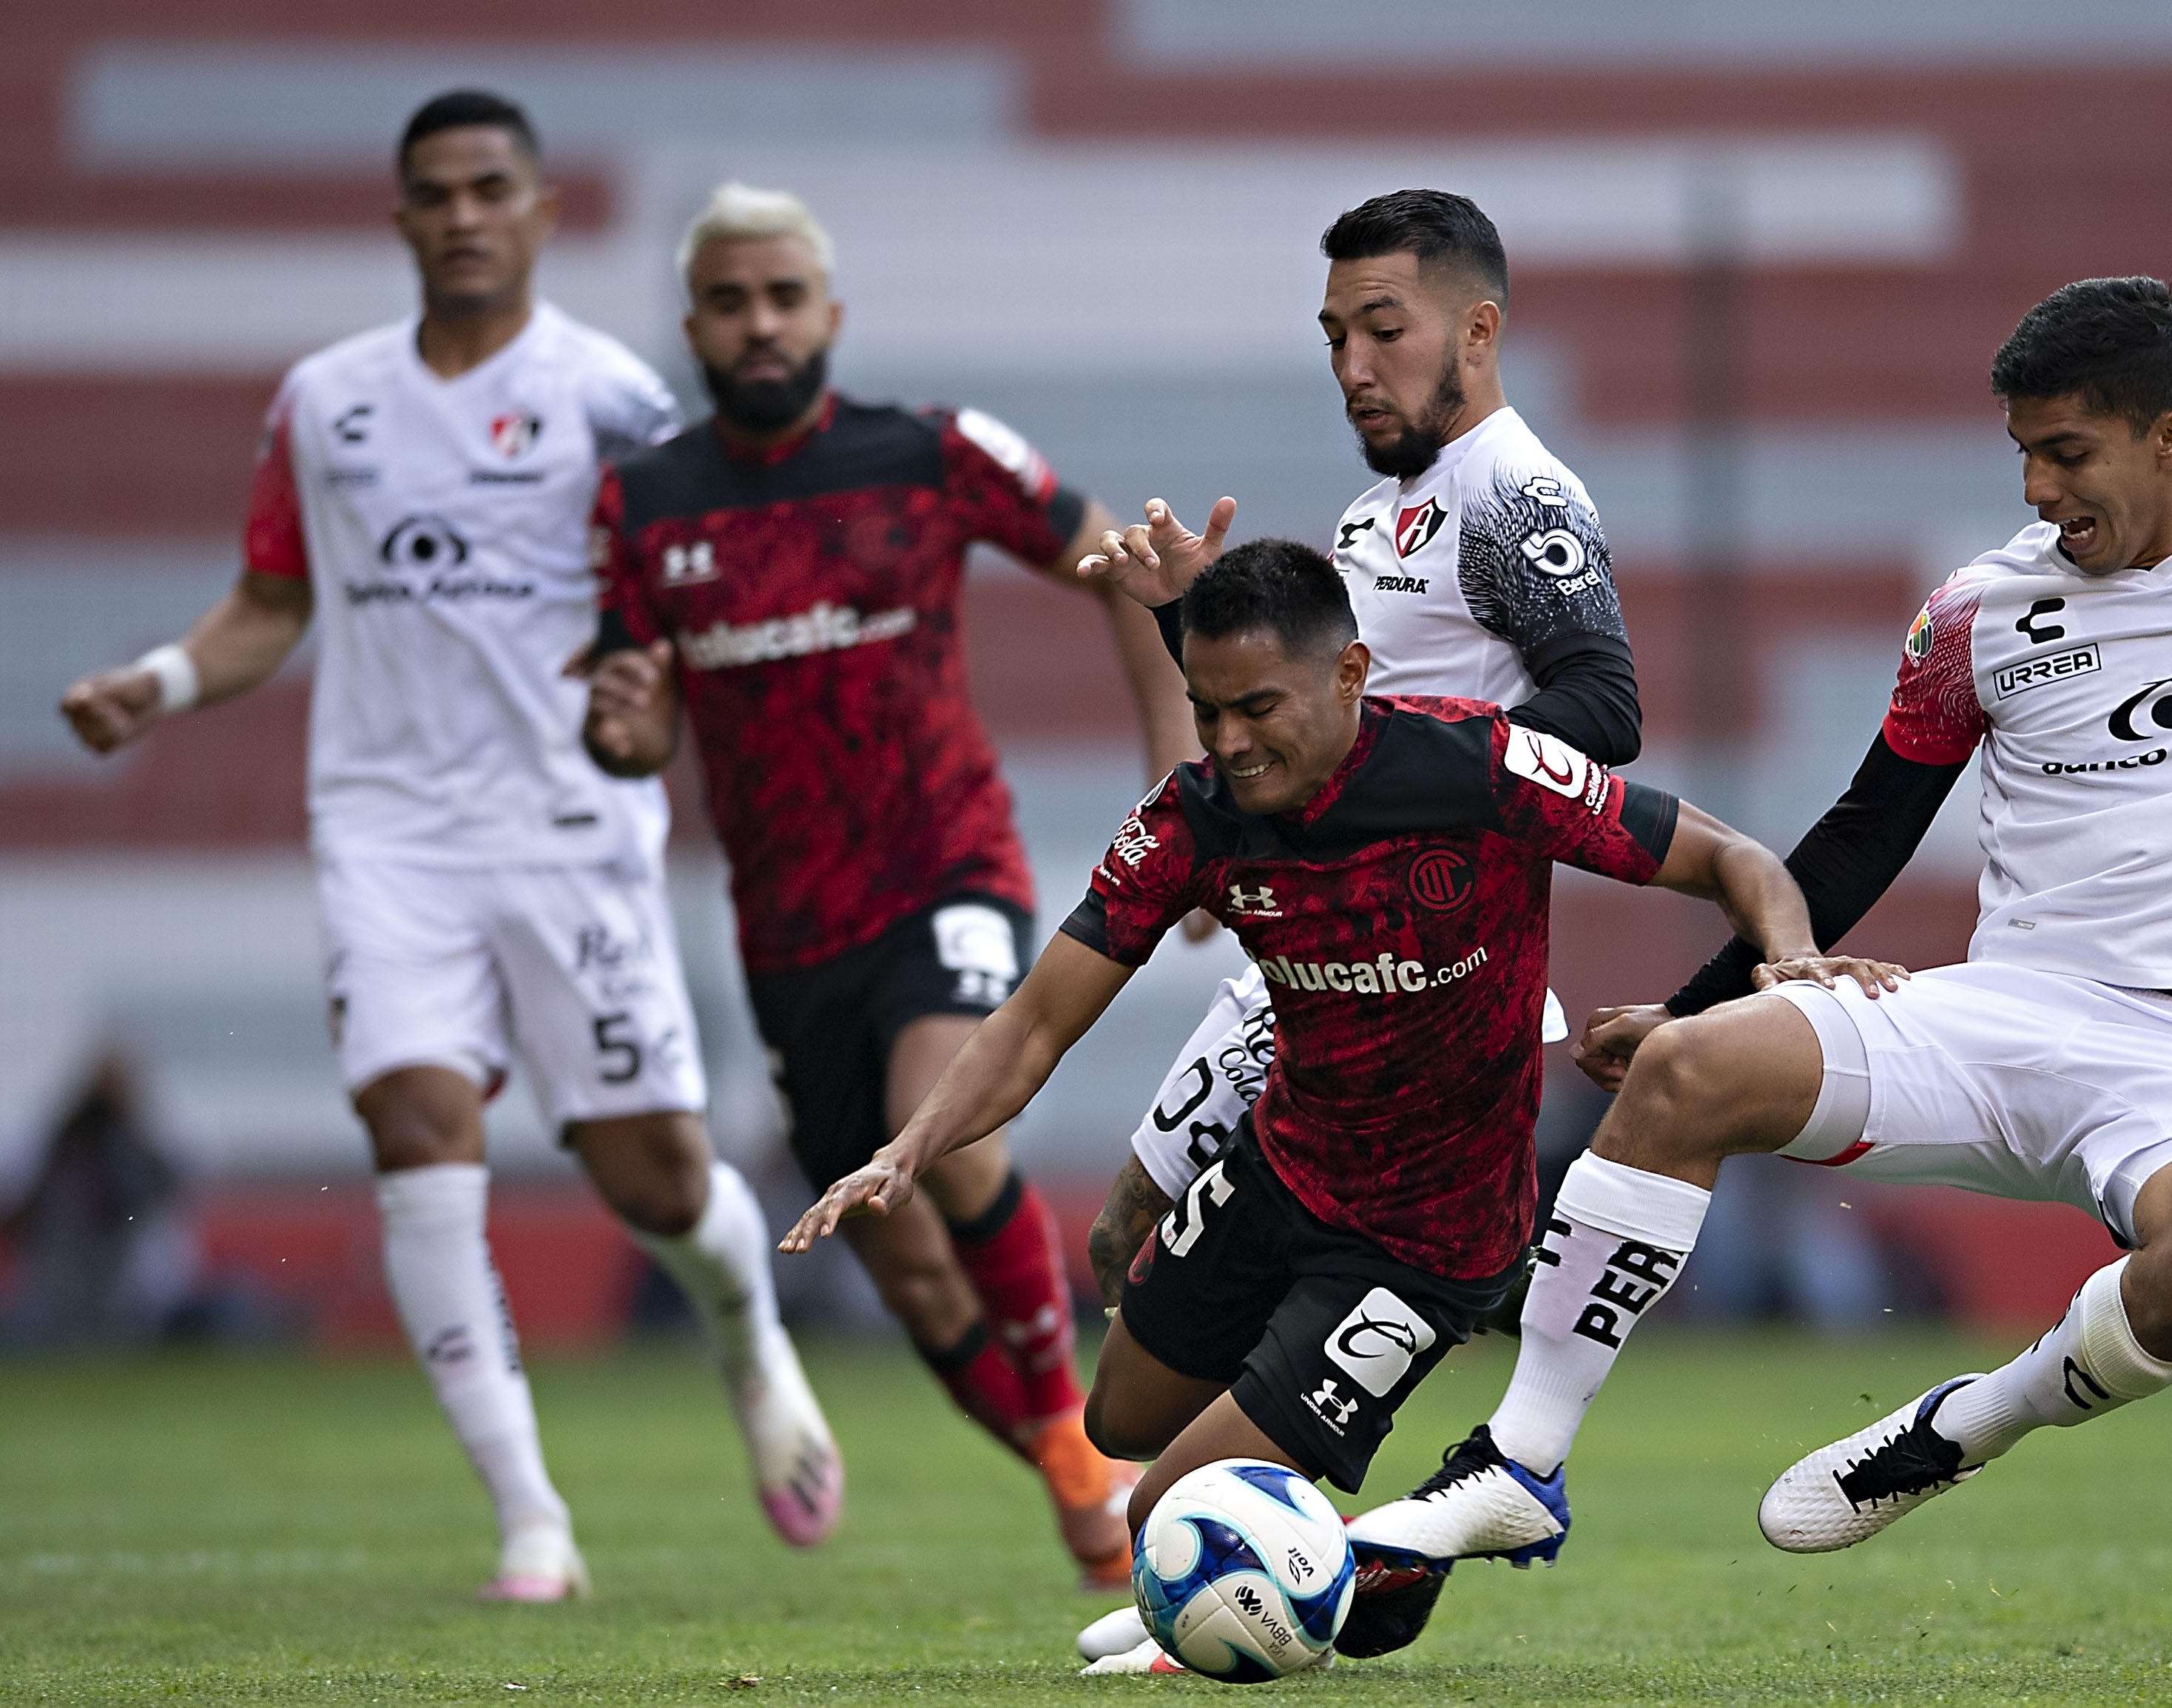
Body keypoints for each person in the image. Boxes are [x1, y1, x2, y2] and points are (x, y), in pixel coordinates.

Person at [1346, 276, 2172, 1595]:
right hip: (2009, 1012)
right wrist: (1691, 1006)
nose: (2036, 487)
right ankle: (1515, 1464)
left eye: (2067, 452)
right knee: (1689, 1077)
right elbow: (1864, 831)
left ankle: (1972, 1421)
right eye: (2021, 451)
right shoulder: (1977, 612)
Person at [775, 539, 1893, 1672]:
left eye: (1257, 706)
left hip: (1428, 1237)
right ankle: (1324, 1542)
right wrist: (909, 1147)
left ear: (1353, 673)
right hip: (1281, 1168)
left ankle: (1263, 1575)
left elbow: (1735, 858)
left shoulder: (1482, 769)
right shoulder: (1197, 816)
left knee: (1163, 1513)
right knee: (1113, 1420)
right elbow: (1031, 1023)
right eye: (1207, 711)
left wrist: (1790, 954)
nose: (1228, 741)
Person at [57, 94, 837, 1601]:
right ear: (402, 217)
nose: (465, 214)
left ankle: (749, 1341)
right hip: (387, 833)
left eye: (493, 189)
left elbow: (689, 593)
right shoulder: (323, 403)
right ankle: (529, 1517)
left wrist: (655, 690)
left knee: (657, 1179)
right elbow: (272, 602)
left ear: (541, 213)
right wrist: (154, 684)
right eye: (436, 193)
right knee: (418, 1133)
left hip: (567, 834)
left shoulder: (610, 397)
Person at [579, 184, 1198, 1589]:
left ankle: (1096, 1448)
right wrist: (621, 725)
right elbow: (634, 715)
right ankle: (1070, 1462)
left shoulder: (924, 452)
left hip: (945, 871)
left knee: (954, 1123)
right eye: (730, 302)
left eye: (782, 296)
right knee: (909, 1266)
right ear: (695, 325)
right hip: (789, 939)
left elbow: (1127, 570)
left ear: (828, 314)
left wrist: (1182, 788)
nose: (759, 323)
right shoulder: (646, 502)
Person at [1073, 189, 1642, 1308]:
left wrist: (1422, 780)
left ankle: (1252, 1472)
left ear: (1478, 333)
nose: (1353, 365)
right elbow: (1321, 729)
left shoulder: (1516, 497)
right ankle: (1208, 1483)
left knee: (1217, 1266)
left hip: (1420, 962)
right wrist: (1181, 617)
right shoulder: (1371, 517)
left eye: (1386, 330)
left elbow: (1606, 707)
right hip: (1312, 937)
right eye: (1337, 336)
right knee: (1128, 1248)